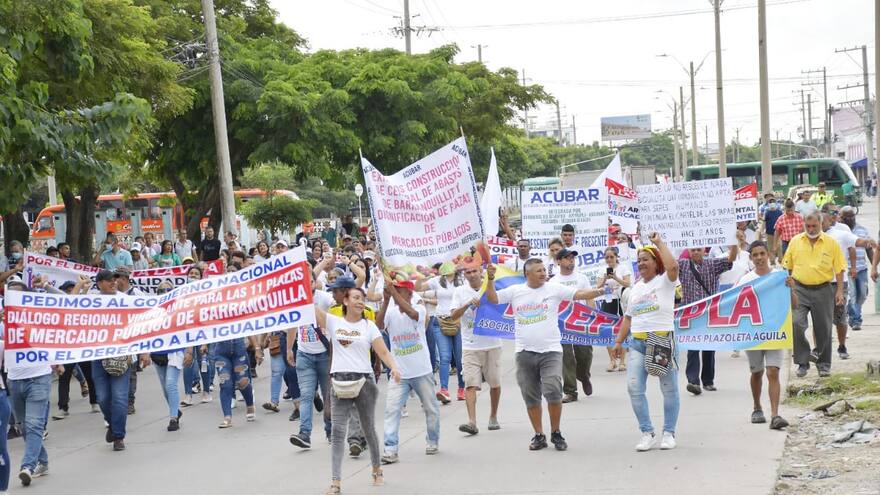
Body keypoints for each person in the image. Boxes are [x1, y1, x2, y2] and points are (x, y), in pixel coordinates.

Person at [485, 259, 603, 451]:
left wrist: (600, 291)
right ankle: (539, 435)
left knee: (553, 392)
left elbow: (580, 294)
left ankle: (556, 432)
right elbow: (493, 298)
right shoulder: (515, 291)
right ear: (527, 274)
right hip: (524, 353)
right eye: (538, 271)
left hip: (551, 351)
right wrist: (490, 279)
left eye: (543, 270)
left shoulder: (553, 288)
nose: (543, 273)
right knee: (531, 396)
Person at [313, 287, 401, 495]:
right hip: (339, 382)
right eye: (356, 298)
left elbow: (383, 351)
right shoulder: (334, 322)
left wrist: (394, 367)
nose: (361, 302)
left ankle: (377, 469)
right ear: (345, 301)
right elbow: (310, 308)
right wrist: (303, 289)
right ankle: (336, 482)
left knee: (368, 428)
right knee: (337, 432)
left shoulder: (369, 326)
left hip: (364, 382)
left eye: (362, 299)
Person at [612, 232, 681, 452]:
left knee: (669, 389)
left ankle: (668, 433)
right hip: (638, 344)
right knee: (634, 387)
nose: (641, 263)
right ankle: (647, 432)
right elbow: (628, 317)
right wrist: (618, 341)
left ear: (656, 262)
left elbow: (673, 266)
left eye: (645, 259)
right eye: (639, 260)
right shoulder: (635, 288)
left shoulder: (666, 281)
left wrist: (659, 242)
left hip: (661, 342)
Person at [85, 270, 150, 451]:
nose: (113, 283)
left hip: (122, 355)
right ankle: (113, 425)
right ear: (99, 284)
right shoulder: (92, 301)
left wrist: (144, 351)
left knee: (120, 398)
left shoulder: (126, 300)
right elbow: (69, 309)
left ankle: (118, 436)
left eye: (115, 280)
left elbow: (139, 325)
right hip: (98, 356)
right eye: (109, 280)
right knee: (103, 398)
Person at [377, 279, 440, 464]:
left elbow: (411, 313)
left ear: (410, 293)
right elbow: (378, 325)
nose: (395, 292)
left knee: (431, 409)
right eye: (394, 289)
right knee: (391, 411)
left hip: (421, 371)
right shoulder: (390, 312)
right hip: (399, 373)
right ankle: (390, 449)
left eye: (399, 290)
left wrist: (393, 293)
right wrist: (386, 300)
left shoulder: (419, 308)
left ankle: (432, 440)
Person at [5, 280, 59, 486]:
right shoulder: (4, 320)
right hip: (14, 381)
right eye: (9, 294)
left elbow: (67, 304)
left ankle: (27, 466)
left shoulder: (40, 315)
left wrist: (46, 286)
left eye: (16, 294)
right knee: (24, 427)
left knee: (35, 424)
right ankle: (42, 461)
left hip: (39, 378)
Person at [782, 212, 845, 378]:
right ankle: (802, 362)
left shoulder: (831, 243)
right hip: (799, 289)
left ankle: (823, 365)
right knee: (796, 323)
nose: (811, 229)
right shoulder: (795, 241)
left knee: (823, 328)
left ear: (821, 224)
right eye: (808, 226)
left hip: (823, 289)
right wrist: (788, 286)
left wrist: (839, 291)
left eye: (814, 226)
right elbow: (786, 266)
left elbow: (839, 269)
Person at [737, 240, 791, 430]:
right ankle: (757, 407)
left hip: (775, 332)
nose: (759, 258)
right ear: (751, 258)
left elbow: (794, 304)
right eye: (755, 255)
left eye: (762, 254)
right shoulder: (746, 280)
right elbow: (736, 307)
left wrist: (790, 288)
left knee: (773, 371)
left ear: (768, 255)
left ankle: (775, 415)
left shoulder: (779, 276)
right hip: (753, 334)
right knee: (757, 372)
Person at [451, 265, 503, 435]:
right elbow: (453, 316)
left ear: (481, 272)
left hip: (492, 343)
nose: (472, 274)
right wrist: (467, 304)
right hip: (470, 345)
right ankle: (472, 422)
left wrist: (491, 280)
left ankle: (493, 416)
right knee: (470, 384)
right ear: (464, 275)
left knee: (495, 383)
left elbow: (501, 307)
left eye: (474, 271)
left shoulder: (490, 286)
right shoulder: (459, 292)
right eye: (468, 272)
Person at [680, 242, 737, 395]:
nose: (695, 252)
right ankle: (693, 381)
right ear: (689, 251)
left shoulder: (713, 264)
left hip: (709, 313)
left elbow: (730, 259)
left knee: (709, 348)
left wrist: (733, 243)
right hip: (691, 314)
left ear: (704, 250)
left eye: (698, 249)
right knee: (692, 348)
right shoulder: (683, 265)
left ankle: (708, 381)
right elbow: (668, 265)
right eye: (693, 250)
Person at [289, 272, 334, 449]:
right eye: (304, 282)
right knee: (306, 396)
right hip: (304, 355)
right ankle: (304, 434)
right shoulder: (295, 300)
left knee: (328, 396)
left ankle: (330, 430)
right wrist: (289, 349)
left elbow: (338, 308)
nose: (308, 285)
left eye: (311, 282)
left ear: (316, 282)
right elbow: (292, 325)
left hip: (325, 356)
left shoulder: (324, 298)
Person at [821, 210, 872, 360]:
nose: (819, 225)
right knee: (819, 320)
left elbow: (857, 244)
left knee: (840, 317)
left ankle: (842, 345)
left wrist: (870, 243)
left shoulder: (841, 233)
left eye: (822, 222)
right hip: (818, 284)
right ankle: (819, 350)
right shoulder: (808, 238)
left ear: (829, 221)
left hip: (838, 282)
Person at [551, 248, 594, 402]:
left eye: (572, 258)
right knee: (566, 357)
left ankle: (584, 376)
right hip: (562, 324)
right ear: (558, 261)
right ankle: (570, 391)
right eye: (567, 257)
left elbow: (590, 297)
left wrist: (592, 317)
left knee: (585, 354)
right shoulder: (553, 282)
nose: (571, 260)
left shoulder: (582, 278)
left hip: (580, 322)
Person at [417, 262, 464, 403]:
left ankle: (462, 388)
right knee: (445, 357)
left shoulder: (463, 280)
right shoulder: (436, 280)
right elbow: (417, 287)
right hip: (441, 321)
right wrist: (420, 276)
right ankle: (444, 390)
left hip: (459, 322)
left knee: (460, 358)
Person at [149, 281, 193, 432]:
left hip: (175, 352)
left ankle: (173, 418)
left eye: (167, 290)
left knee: (170, 384)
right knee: (165, 389)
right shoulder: (152, 312)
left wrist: (189, 350)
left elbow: (188, 330)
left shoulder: (180, 310)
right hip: (157, 355)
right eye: (161, 290)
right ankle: (175, 410)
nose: (164, 292)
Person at [212, 334, 262, 428]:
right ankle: (227, 417)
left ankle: (250, 405)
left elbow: (249, 328)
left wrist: (257, 348)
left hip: (239, 351)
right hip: (221, 353)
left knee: (242, 382)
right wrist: (204, 345)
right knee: (225, 383)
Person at [596, 246, 632, 372]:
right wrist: (605, 279)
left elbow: (628, 283)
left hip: (621, 301)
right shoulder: (602, 270)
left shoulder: (623, 268)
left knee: (622, 329)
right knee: (607, 330)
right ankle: (612, 361)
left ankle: (622, 361)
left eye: (612, 257)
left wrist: (616, 278)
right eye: (607, 257)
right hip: (608, 301)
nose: (609, 259)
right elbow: (598, 287)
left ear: (616, 257)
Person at [840, 207, 874, 332]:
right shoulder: (840, 231)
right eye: (846, 217)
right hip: (846, 269)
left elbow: (869, 249)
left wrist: (874, 266)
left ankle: (850, 310)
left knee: (863, 294)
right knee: (852, 294)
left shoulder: (862, 230)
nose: (849, 219)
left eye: (851, 216)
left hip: (862, 268)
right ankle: (856, 320)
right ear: (841, 218)